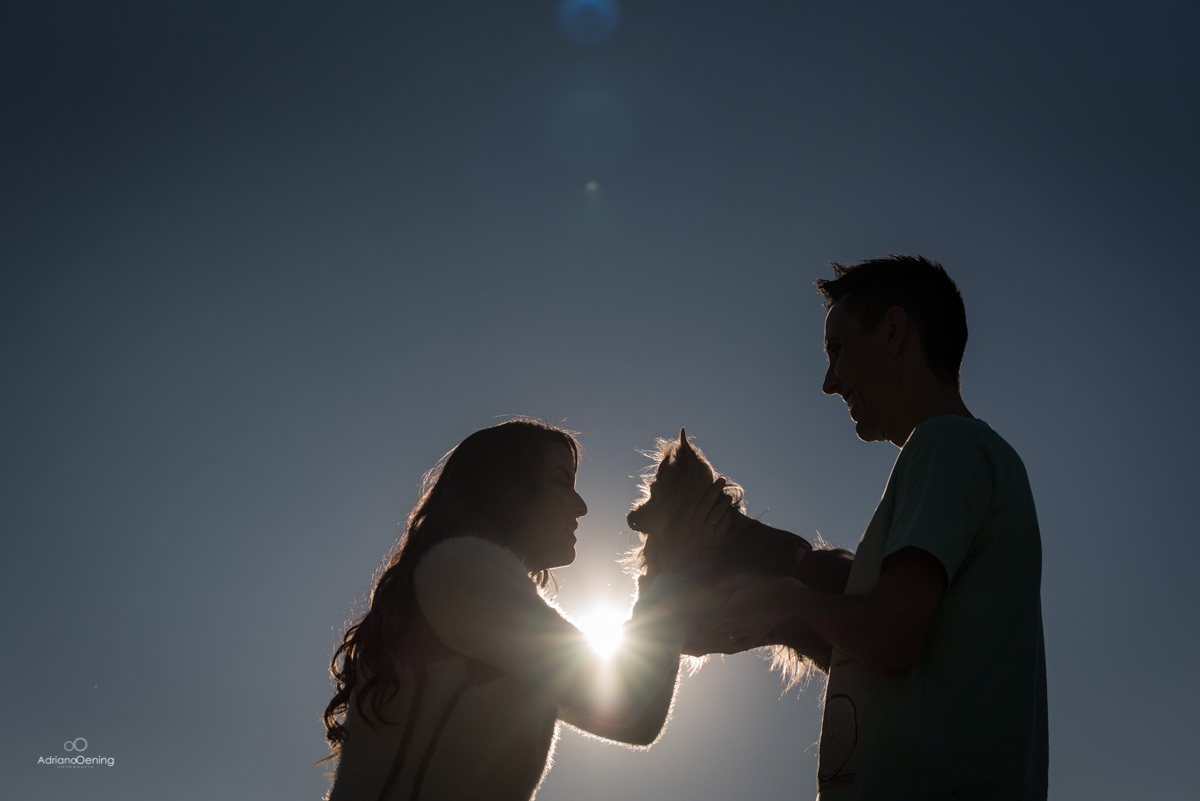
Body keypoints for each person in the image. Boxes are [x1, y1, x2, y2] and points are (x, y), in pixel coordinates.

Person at [690, 255, 1048, 800]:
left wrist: (789, 600)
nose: (830, 382)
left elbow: (892, 636)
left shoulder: (947, 446)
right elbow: (891, 655)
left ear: (894, 331)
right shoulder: (965, 458)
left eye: (837, 351)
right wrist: (770, 618)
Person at [321, 419, 728, 801]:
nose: (581, 506)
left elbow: (633, 716)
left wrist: (665, 575)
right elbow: (629, 706)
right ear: (506, 489)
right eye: (561, 482)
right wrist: (674, 566)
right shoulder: (461, 568)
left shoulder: (462, 579)